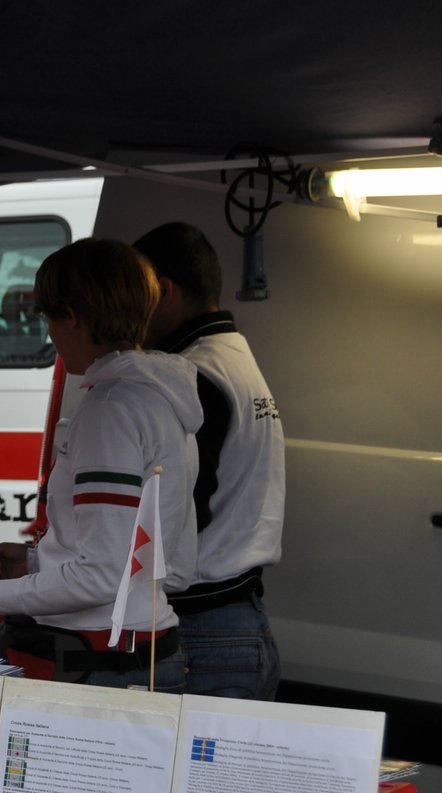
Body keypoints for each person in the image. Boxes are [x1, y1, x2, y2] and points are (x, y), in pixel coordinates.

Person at [0, 238, 200, 691]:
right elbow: (168, 561)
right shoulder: (165, 400)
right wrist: (38, 559)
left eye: (47, 317)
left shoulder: (110, 408)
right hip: (146, 649)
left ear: (71, 315)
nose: (50, 334)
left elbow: (101, 575)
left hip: (97, 660)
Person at [133, 222, 285, 700]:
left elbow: (177, 515)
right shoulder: (233, 357)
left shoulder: (193, 374)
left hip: (201, 628)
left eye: (135, 293)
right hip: (236, 615)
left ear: (164, 291)